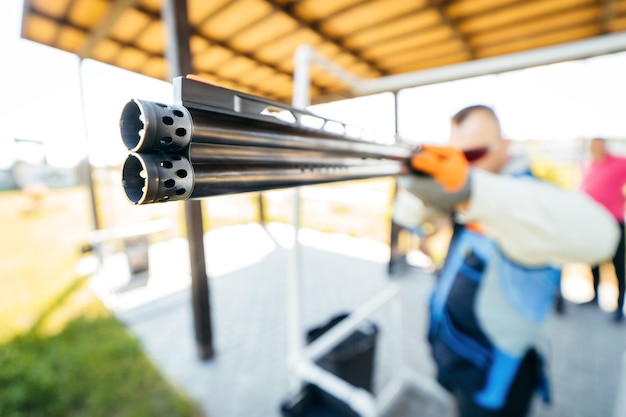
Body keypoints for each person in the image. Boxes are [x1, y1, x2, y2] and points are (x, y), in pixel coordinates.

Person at [393, 105, 619, 417]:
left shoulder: (525, 197)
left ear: (505, 146)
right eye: (455, 158)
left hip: (497, 378)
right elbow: (407, 216)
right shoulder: (468, 193)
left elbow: (600, 235)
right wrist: (418, 181)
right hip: (454, 355)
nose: (464, 167)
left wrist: (471, 186)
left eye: (471, 156)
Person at [579, 137, 626, 322]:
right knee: (593, 261)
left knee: (617, 265)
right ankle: (594, 297)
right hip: (593, 223)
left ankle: (619, 305)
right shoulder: (588, 165)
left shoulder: (619, 162)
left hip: (613, 222)